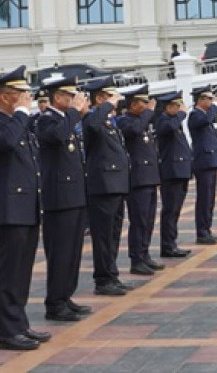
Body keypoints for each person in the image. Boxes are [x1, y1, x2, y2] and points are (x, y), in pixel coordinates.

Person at [0, 65, 51, 350]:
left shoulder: (17, 122)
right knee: (8, 273)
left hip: (24, 207)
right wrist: (20, 113)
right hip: (7, 210)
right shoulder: (8, 122)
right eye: (22, 94)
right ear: (6, 96)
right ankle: (7, 330)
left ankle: (18, 324)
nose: (28, 98)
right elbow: (6, 143)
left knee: (21, 272)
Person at [36, 77, 92, 322]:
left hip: (73, 196)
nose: (74, 101)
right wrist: (74, 113)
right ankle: (55, 303)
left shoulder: (63, 119)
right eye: (69, 97)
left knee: (72, 251)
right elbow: (57, 136)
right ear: (57, 98)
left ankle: (65, 296)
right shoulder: (46, 120)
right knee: (60, 252)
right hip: (58, 199)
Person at [83, 76, 131, 296]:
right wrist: (108, 105)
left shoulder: (108, 121)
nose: (116, 100)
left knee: (113, 234)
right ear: (100, 98)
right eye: (110, 96)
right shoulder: (92, 118)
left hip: (116, 184)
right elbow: (92, 125)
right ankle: (103, 280)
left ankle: (111, 275)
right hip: (103, 186)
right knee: (102, 236)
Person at [117, 85, 164, 276]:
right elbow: (135, 131)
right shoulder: (125, 121)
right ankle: (136, 259)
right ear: (133, 104)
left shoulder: (140, 121)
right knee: (139, 220)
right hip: (137, 179)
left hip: (149, 178)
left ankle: (144, 255)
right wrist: (149, 112)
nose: (147, 105)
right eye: (143, 102)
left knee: (149, 219)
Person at [156, 91, 193, 258]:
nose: (179, 109)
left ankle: (172, 243)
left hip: (180, 172)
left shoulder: (174, 121)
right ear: (168, 107)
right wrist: (181, 115)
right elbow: (168, 128)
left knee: (175, 210)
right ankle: (168, 245)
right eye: (176, 106)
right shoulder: (164, 120)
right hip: (171, 173)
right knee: (170, 210)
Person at [188, 85, 217, 245]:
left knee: (209, 198)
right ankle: (202, 232)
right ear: (201, 100)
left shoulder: (203, 115)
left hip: (211, 161)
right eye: (209, 99)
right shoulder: (195, 115)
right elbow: (207, 119)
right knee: (204, 198)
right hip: (204, 162)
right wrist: (215, 106)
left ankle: (207, 229)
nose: (212, 101)